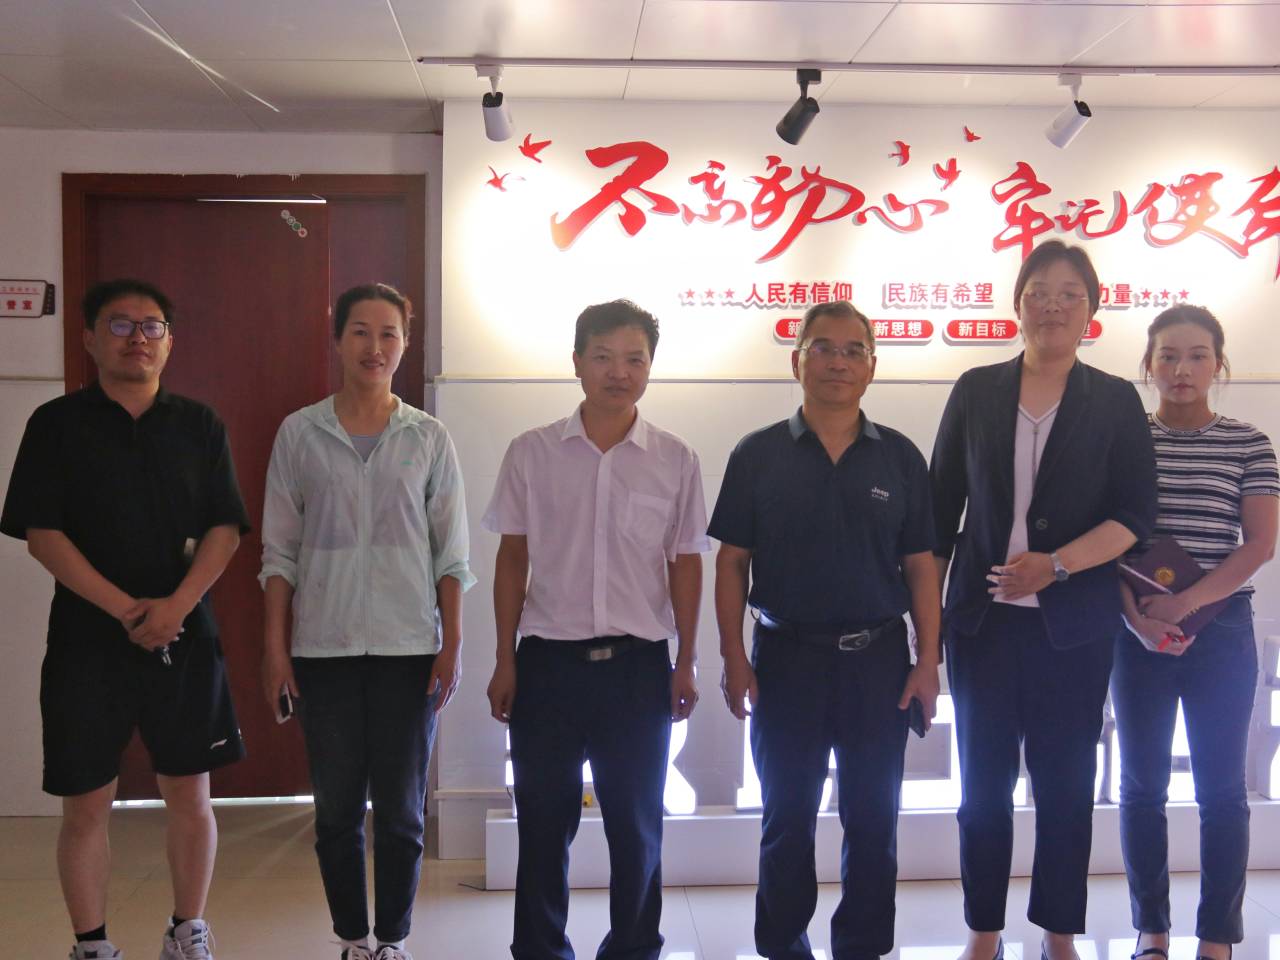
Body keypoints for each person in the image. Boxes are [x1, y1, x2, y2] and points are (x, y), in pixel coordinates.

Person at [1, 279, 250, 960]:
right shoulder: (55, 424)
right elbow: (43, 535)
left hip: (185, 635)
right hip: (86, 641)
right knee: (85, 802)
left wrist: (176, 607)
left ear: (169, 341)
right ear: (88, 338)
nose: (137, 337)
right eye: (119, 325)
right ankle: (92, 944)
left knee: (190, 794)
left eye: (152, 325)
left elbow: (226, 528)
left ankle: (187, 930)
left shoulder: (199, 426)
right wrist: (126, 610)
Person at [929, 240, 1158, 960]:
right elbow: (939, 513)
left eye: (1069, 294)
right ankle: (984, 929)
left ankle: (1059, 930)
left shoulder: (1114, 399)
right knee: (982, 790)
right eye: (1039, 292)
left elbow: (1134, 516)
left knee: (1065, 787)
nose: (1052, 305)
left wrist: (1055, 566)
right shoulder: (975, 389)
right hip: (982, 626)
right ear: (1017, 303)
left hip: (1076, 629)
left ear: (1091, 311)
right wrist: (927, 629)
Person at [711, 299, 941, 960]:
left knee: (872, 819)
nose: (837, 362)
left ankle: (861, 947)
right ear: (797, 361)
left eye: (852, 350)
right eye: (822, 348)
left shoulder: (900, 457)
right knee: (786, 817)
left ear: (871, 366)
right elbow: (731, 562)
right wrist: (733, 656)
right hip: (786, 660)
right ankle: (784, 944)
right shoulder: (757, 454)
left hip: (878, 663)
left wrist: (928, 661)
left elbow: (921, 567)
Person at [483, 299, 710, 960]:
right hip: (547, 667)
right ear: (577, 362)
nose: (620, 372)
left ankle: (634, 948)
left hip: (638, 669)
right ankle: (540, 950)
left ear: (650, 367)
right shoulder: (532, 453)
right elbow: (513, 559)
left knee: (637, 830)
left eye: (635, 359)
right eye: (604, 357)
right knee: (543, 825)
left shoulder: (675, 458)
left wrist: (687, 660)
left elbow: (685, 563)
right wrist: (505, 659)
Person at [259, 283, 474, 960]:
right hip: (322, 650)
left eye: (388, 334)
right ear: (337, 339)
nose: (374, 347)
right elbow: (278, 554)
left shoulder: (428, 437)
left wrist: (452, 644)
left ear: (405, 344)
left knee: (404, 811)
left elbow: (452, 555)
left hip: (409, 650)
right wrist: (275, 650)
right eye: (360, 331)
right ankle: (353, 938)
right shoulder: (301, 433)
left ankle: (394, 940)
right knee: (336, 811)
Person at [1113, 305, 1278, 960]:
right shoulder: (1124, 444)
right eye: (1169, 355)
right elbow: (1106, 543)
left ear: (1219, 363)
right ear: (1148, 364)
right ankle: (1151, 931)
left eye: (1198, 355)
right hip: (1137, 635)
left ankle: (1217, 939)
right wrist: (1136, 617)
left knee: (1222, 792)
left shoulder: (1248, 443)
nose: (1182, 368)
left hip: (1221, 632)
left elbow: (1258, 544)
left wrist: (1184, 605)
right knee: (1141, 787)